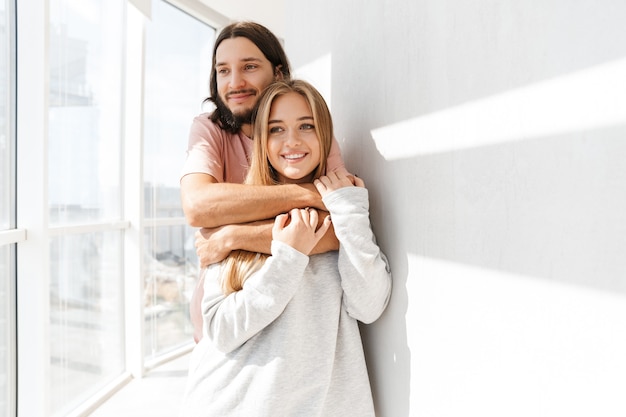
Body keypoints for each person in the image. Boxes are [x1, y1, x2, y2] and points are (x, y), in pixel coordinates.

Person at [179, 79, 392, 417]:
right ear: (262, 141)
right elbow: (220, 329)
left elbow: (369, 305)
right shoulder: (239, 217)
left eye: (306, 126)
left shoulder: (343, 210)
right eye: (276, 129)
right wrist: (288, 257)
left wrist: (348, 208)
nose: (291, 141)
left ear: (325, 135)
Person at [180, 21, 347, 342]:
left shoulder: (308, 131)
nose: (235, 82)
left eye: (250, 67)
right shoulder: (208, 129)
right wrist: (310, 194)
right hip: (222, 320)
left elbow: (340, 231)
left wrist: (233, 236)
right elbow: (198, 207)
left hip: (290, 327)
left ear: (280, 73)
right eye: (223, 71)